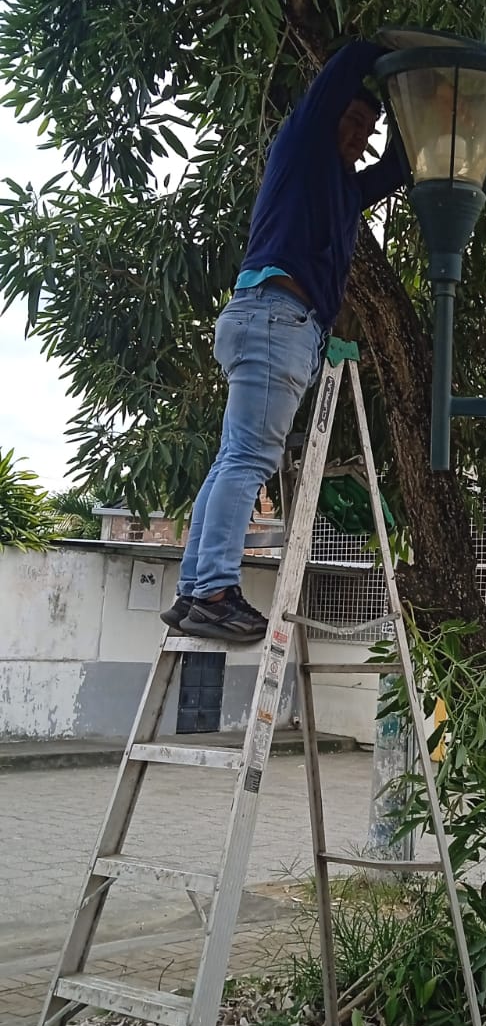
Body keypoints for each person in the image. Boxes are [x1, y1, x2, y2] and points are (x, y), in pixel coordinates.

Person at [160, 38, 404, 642]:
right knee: (246, 460)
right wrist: (382, 50)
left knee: (233, 457)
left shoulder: (343, 189)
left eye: (368, 129)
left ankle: (194, 589)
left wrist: (411, 102)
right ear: (328, 115)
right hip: (276, 318)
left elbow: (397, 169)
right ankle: (214, 592)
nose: (360, 136)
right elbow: (336, 78)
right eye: (353, 120)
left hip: (266, 320)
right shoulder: (302, 146)